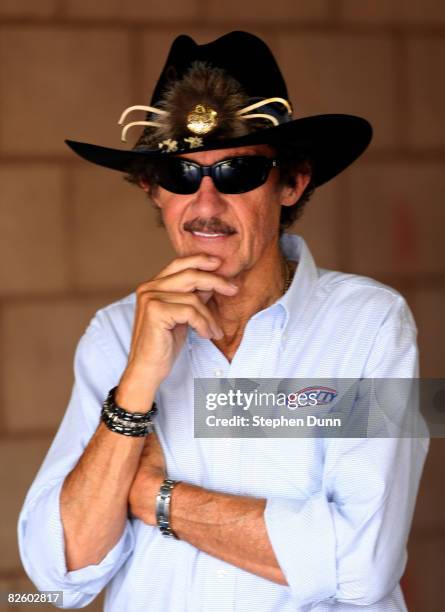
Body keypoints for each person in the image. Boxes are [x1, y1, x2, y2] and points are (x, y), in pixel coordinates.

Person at [18, 31, 428, 611]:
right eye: (181, 175)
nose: (205, 204)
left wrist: (152, 494)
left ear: (292, 182)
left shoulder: (371, 323)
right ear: (151, 189)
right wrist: (136, 387)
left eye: (236, 173)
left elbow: (364, 567)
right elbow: (58, 578)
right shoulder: (114, 334)